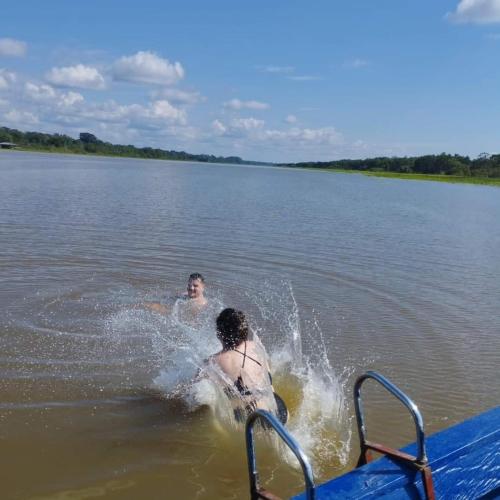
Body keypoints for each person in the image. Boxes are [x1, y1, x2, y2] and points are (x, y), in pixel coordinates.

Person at [211, 308, 288, 425]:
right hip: (280, 411)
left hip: (254, 419)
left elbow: (190, 391)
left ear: (219, 334)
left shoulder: (214, 361)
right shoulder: (256, 346)